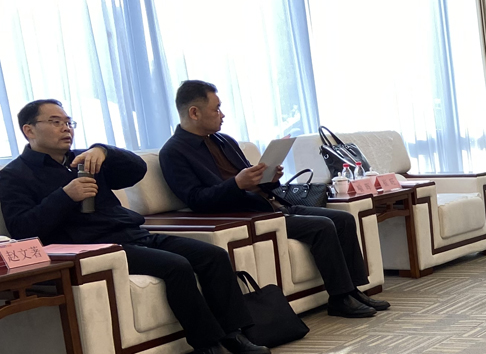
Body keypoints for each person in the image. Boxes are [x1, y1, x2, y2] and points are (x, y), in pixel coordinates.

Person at [0, 100, 269, 354]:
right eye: (56, 122)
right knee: (176, 266)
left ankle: (234, 334)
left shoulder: (86, 159)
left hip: (134, 234)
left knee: (213, 255)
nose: (66, 128)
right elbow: (22, 228)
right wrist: (65, 196)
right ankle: (207, 346)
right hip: (97, 248)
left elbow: (137, 169)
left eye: (69, 122)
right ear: (29, 130)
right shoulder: (14, 175)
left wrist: (103, 150)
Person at [158, 80, 387, 318]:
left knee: (343, 219)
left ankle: (353, 290)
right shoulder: (174, 152)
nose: (222, 114)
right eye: (216, 109)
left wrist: (269, 177)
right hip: (244, 216)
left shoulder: (224, 141)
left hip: (269, 205)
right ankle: (340, 298)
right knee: (323, 226)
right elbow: (196, 199)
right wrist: (236, 184)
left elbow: (251, 178)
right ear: (194, 113)